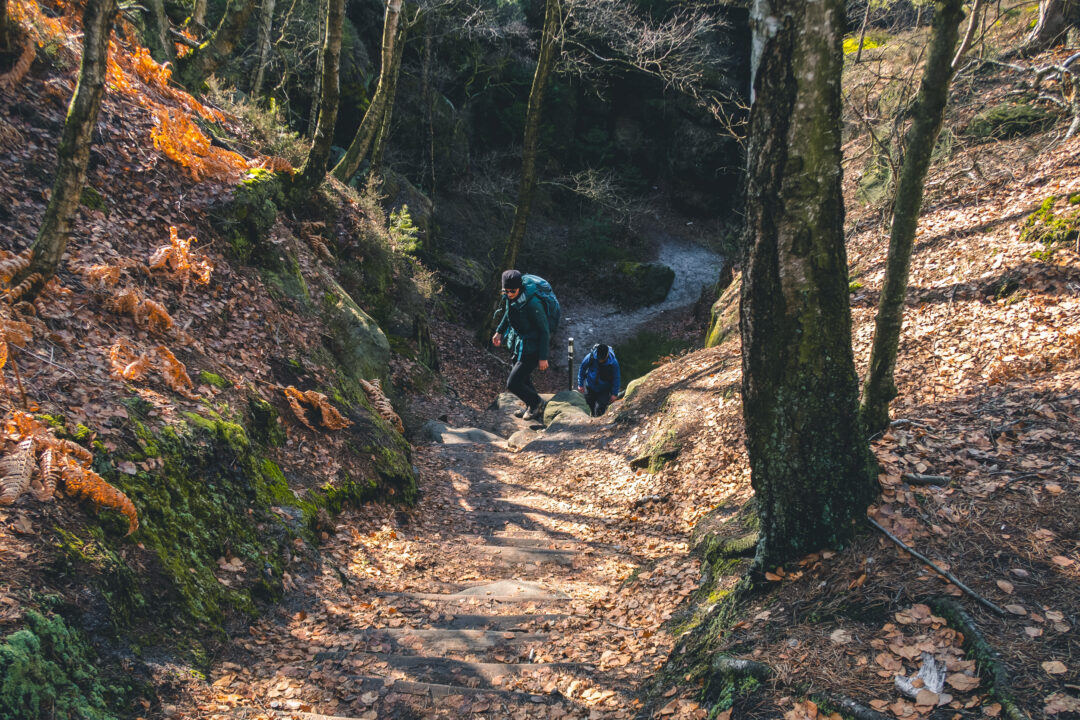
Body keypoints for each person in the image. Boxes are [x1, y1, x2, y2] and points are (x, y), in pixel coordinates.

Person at [492, 270, 549, 420]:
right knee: (523, 379)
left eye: (512, 291)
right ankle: (532, 406)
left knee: (513, 383)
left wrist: (543, 357)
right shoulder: (510, 298)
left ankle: (536, 403)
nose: (509, 294)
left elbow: (544, 331)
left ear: (520, 288)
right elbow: (508, 314)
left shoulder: (533, 304)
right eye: (506, 291)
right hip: (519, 345)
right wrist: (499, 332)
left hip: (533, 348)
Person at [577, 343, 621, 417]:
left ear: (607, 355)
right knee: (589, 405)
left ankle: (598, 421)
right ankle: (591, 418)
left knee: (600, 408)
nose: (600, 361)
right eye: (599, 358)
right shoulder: (590, 357)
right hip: (590, 386)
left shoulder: (613, 363)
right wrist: (580, 384)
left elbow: (616, 378)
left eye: (602, 359)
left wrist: (614, 394)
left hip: (604, 389)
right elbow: (582, 369)